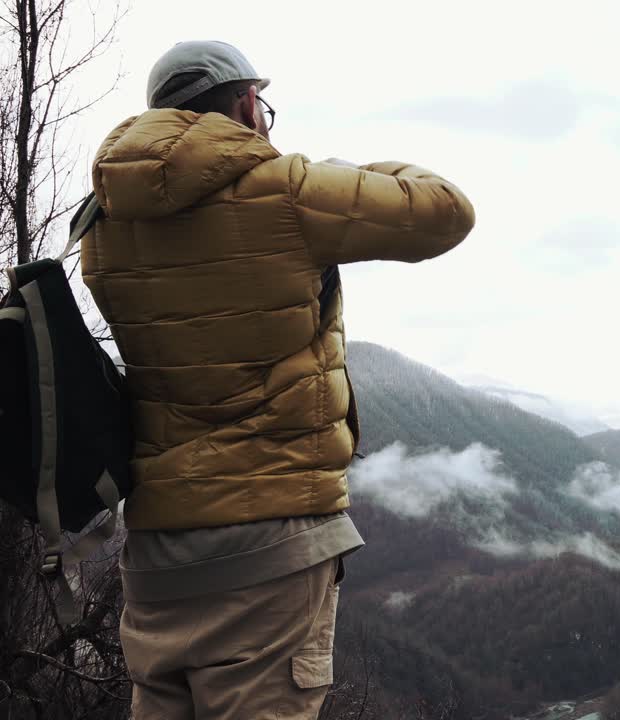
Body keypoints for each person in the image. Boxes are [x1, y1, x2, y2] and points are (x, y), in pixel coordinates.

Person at [79, 40, 475, 719]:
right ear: (244, 106)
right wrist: (340, 173)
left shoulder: (105, 220)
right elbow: (444, 209)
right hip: (271, 548)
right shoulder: (287, 190)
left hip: (157, 552)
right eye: (261, 106)